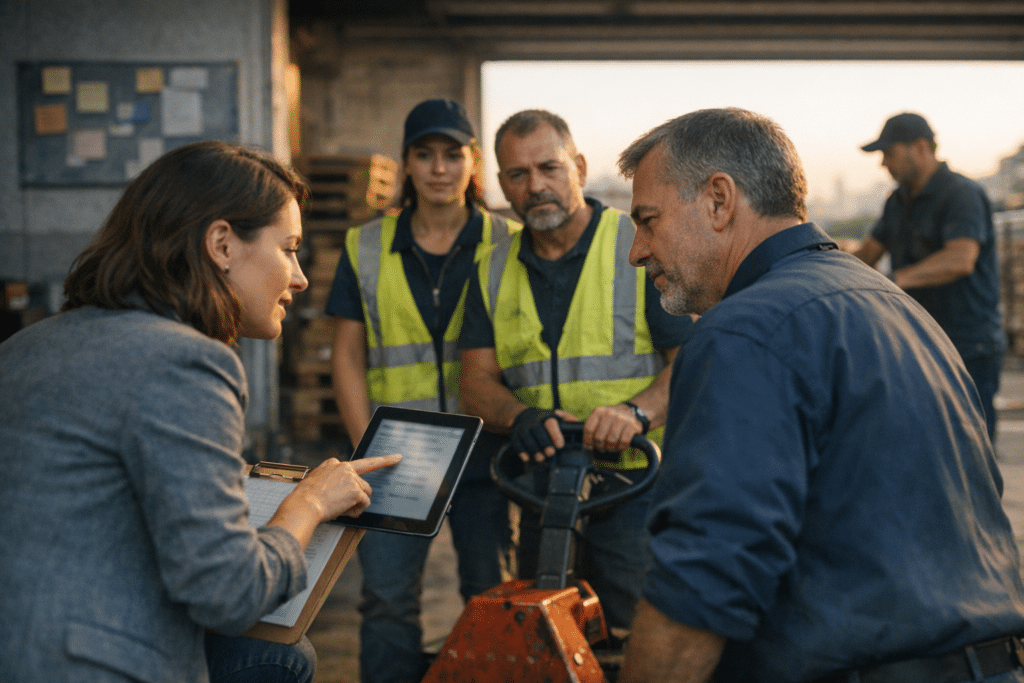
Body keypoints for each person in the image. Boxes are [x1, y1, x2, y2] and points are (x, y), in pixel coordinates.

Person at [615, 107, 1024, 683]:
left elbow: (704, 582)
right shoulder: (899, 312)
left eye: (648, 220)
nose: (637, 251)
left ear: (718, 200)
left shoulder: (745, 331)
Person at [0, 140, 402, 683]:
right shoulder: (188, 361)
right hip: (88, 663)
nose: (300, 277)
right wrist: (306, 505)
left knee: (283, 657)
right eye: (288, 249)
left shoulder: (28, 344)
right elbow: (229, 595)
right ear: (221, 244)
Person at [458, 109, 691, 633]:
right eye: (518, 175)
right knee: (548, 633)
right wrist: (520, 416)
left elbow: (690, 363)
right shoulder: (490, 269)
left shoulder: (638, 246)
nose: (535, 186)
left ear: (579, 167)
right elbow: (475, 383)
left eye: (549, 167)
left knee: (634, 633)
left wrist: (635, 413)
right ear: (501, 185)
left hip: (635, 486)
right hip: (542, 489)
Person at [325, 98, 517, 683]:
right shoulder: (365, 247)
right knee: (386, 602)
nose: (439, 168)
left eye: (452, 155)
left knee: (494, 599)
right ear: (406, 164)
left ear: (472, 162)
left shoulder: (509, 243)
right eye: (424, 155)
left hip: (487, 453)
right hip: (396, 458)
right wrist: (369, 453)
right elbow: (347, 356)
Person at [854, 112, 1004, 443]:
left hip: (966, 343)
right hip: (918, 340)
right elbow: (868, 253)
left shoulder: (961, 194)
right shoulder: (897, 201)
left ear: (920, 148)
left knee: (970, 449)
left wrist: (893, 282)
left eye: (888, 153)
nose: (883, 164)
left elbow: (960, 259)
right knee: (927, 448)